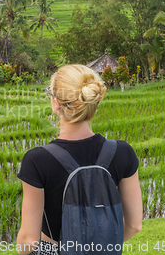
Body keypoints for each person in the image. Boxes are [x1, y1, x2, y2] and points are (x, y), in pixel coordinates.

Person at [16, 64, 143, 255]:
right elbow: (134, 225)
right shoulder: (122, 152)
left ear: (56, 103)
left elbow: (29, 240)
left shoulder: (37, 160)